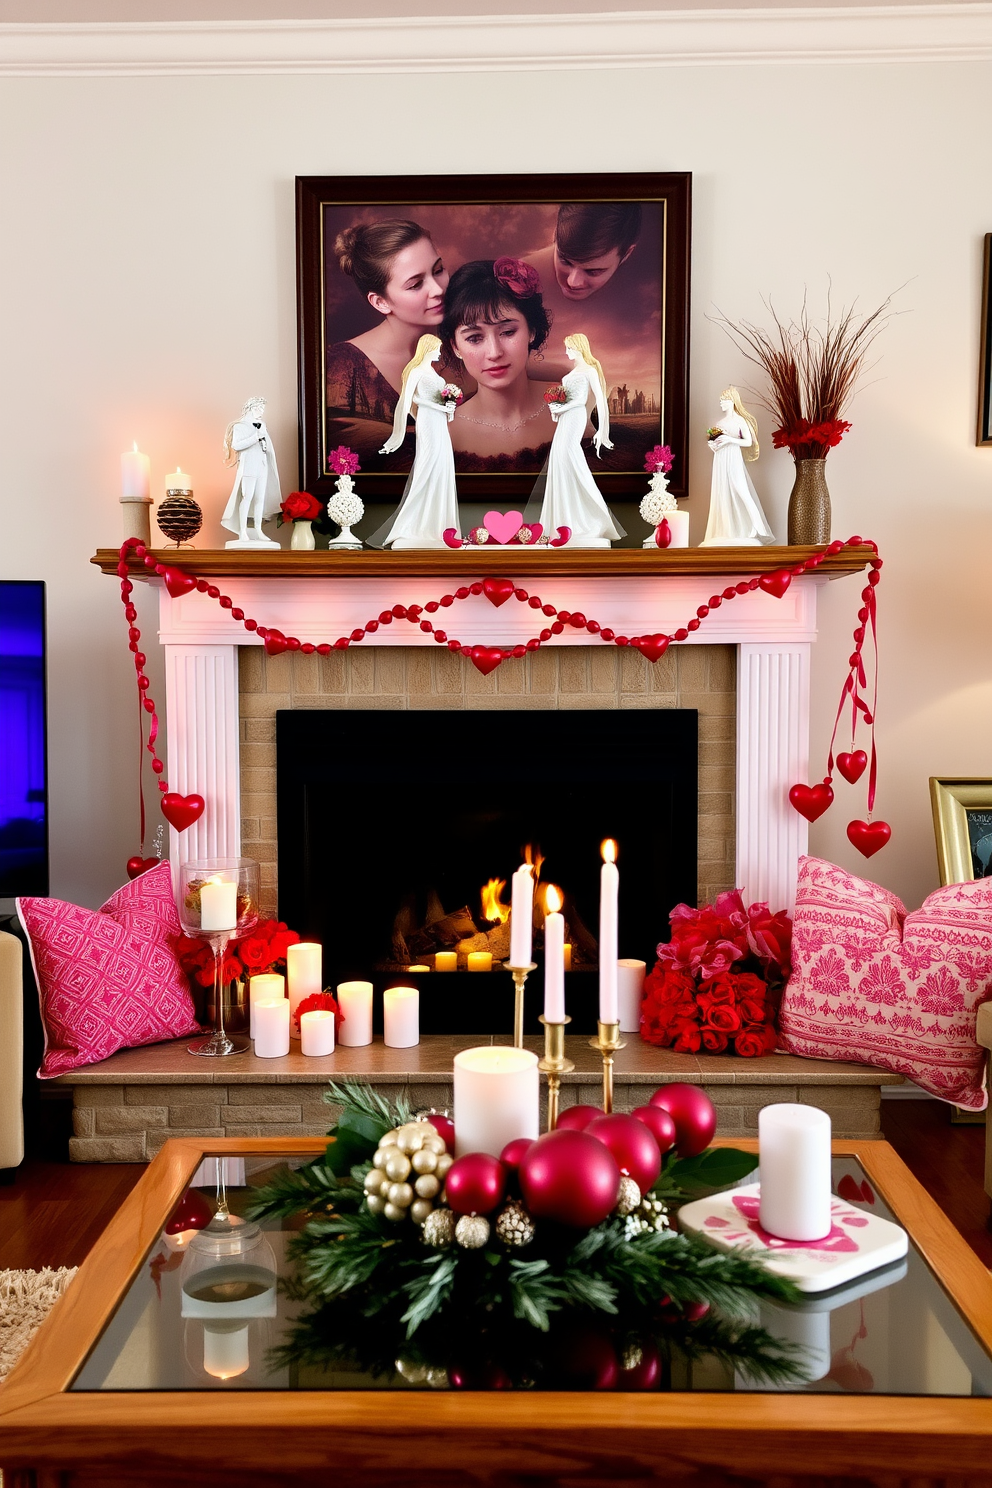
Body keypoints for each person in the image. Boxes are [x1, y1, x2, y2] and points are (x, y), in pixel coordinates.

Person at [326, 219, 450, 429]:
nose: (437, 289)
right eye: (416, 284)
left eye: (438, 271)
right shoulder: (342, 370)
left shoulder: (462, 347)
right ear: (380, 302)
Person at [442, 258, 558, 471]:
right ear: (455, 346)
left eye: (507, 332)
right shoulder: (444, 431)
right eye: (474, 338)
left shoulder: (573, 404)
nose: (494, 353)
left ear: (532, 330)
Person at [531, 334, 625, 548]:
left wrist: (602, 430)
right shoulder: (571, 374)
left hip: (575, 417)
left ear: (579, 347)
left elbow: (597, 400)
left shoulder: (589, 371)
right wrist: (556, 409)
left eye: (570, 348)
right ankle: (564, 519)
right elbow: (568, 401)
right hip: (565, 417)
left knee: (569, 456)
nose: (567, 352)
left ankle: (592, 516)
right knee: (559, 460)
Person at [370, 335, 459, 549]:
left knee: (441, 465)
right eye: (437, 348)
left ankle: (437, 528)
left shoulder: (434, 373)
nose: (439, 352)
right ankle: (410, 526)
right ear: (427, 348)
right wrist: (396, 436)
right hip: (428, 422)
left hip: (439, 422)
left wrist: (449, 408)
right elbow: (410, 400)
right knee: (427, 465)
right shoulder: (417, 371)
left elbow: (438, 400)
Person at [700, 387, 775, 547]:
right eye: (720, 401)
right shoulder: (719, 424)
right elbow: (715, 442)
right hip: (720, 459)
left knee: (741, 489)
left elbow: (748, 442)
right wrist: (713, 445)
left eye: (724, 401)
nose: (721, 404)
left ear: (732, 401)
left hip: (733, 457)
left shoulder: (740, 421)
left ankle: (757, 527)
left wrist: (729, 440)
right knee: (722, 491)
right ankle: (727, 531)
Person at [525, 203, 642, 304]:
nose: (572, 282)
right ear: (555, 236)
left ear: (626, 254)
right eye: (565, 261)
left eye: (593, 271)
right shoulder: (519, 277)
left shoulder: (645, 293)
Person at [220, 396, 281, 548]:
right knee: (247, 497)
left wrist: (264, 443)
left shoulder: (262, 425)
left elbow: (265, 443)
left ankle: (259, 529)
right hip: (248, 466)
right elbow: (237, 445)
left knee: (260, 498)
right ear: (251, 408)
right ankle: (242, 531)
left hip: (262, 465)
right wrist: (256, 437)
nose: (261, 412)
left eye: (262, 409)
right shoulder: (239, 426)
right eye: (259, 408)